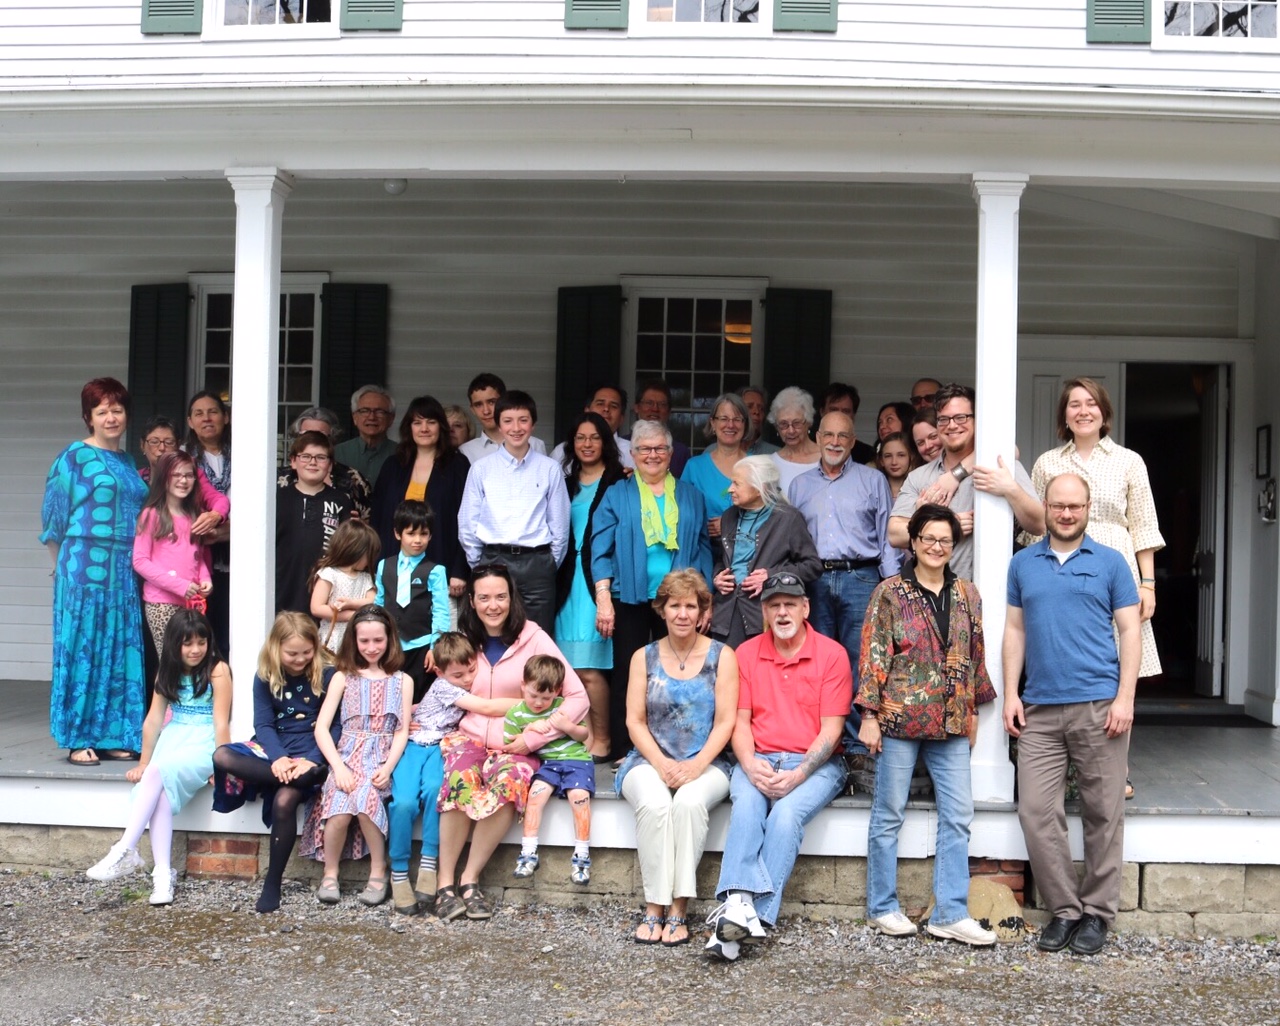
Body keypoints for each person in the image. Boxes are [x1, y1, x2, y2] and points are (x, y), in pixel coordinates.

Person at [1003, 473, 1140, 956]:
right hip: (1040, 707)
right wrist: (1010, 695)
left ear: (1088, 509)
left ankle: (1098, 915)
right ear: (1045, 506)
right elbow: (1014, 632)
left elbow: (1130, 632)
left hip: (1100, 705)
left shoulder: (1111, 563)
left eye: (1075, 506)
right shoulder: (1023, 564)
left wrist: (1125, 698)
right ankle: (1065, 910)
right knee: (1036, 811)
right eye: (1058, 505)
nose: (1066, 514)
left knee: (1104, 812)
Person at [857, 505, 998, 947]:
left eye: (945, 540)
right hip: (898, 718)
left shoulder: (968, 594)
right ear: (914, 541)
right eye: (929, 538)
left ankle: (950, 913)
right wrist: (869, 715)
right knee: (888, 815)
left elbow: (974, 653)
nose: (937, 547)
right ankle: (882, 907)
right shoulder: (890, 592)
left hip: (952, 720)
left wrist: (972, 711)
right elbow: (874, 652)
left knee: (958, 816)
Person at [704, 573, 850, 962]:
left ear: (806, 608)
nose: (782, 612)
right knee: (749, 806)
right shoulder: (747, 654)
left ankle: (749, 916)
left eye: (790, 604)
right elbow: (740, 720)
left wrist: (799, 774)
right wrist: (750, 766)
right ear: (764, 611)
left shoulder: (832, 654)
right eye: (773, 605)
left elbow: (832, 730)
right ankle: (739, 908)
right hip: (759, 757)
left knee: (786, 815)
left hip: (816, 764)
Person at [434, 565, 589, 921]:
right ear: (471, 601)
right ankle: (445, 885)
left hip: (515, 744)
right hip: (469, 736)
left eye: (501, 596)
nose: (493, 605)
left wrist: (536, 735)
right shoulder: (462, 637)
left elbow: (577, 697)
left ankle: (470, 880)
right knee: (460, 783)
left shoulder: (532, 637)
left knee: (510, 784)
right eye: (484, 597)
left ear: (512, 598)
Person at [616, 570, 739, 948]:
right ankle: (655, 906)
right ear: (662, 609)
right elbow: (634, 721)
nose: (682, 614)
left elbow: (726, 722)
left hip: (708, 762)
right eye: (675, 605)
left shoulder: (723, 655)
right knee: (655, 804)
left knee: (687, 802)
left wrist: (696, 765)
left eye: (691, 606)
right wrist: (663, 764)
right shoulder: (644, 656)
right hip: (647, 759)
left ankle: (679, 907)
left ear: (703, 611)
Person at [86, 610, 231, 907]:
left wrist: (223, 764)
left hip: (203, 741)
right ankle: (163, 875)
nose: (195, 649)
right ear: (173, 644)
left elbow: (221, 722)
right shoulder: (167, 672)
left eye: (201, 642)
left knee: (159, 771)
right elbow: (153, 720)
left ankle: (126, 848)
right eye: (187, 643)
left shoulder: (218, 670)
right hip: (174, 736)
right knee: (158, 786)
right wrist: (142, 761)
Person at [42, 377, 150, 766]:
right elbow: (53, 520)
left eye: (117, 410)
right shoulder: (73, 457)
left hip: (122, 571)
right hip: (83, 568)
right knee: (84, 649)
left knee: (118, 650)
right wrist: (59, 573)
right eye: (102, 411)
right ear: (88, 417)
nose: (110, 417)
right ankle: (78, 737)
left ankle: (111, 734)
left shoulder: (126, 463)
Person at [590, 420, 713, 759]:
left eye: (660, 448)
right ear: (633, 453)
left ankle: (677, 747)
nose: (653, 455)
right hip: (629, 598)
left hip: (679, 600)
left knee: (679, 672)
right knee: (629, 673)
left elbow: (703, 548)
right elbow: (599, 549)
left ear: (671, 454)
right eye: (645, 448)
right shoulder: (617, 493)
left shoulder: (691, 496)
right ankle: (624, 751)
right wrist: (603, 599)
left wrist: (706, 600)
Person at [1031, 377, 1164, 681]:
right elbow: (1037, 529)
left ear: (1104, 412)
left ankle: (1119, 719)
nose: (1083, 411)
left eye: (1091, 403)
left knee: (1123, 652)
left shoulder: (1130, 461)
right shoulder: (1047, 463)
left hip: (1118, 563)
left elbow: (1143, 526)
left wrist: (1148, 584)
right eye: (1074, 404)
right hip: (1061, 564)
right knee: (1066, 647)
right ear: (1064, 415)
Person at [211, 612, 339, 913]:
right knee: (222, 755)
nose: (300, 659)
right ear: (276, 647)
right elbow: (264, 725)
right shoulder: (265, 675)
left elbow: (334, 725)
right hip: (275, 747)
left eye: (307, 652)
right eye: (292, 653)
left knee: (284, 802)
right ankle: (296, 778)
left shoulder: (328, 673)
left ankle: (272, 883)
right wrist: (279, 758)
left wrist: (312, 760)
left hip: (312, 746)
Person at [788, 412, 900, 741]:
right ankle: (820, 739)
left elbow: (886, 535)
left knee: (859, 660)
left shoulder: (872, 480)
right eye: (829, 435)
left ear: (853, 442)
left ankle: (853, 742)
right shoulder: (799, 485)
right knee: (815, 660)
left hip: (861, 578)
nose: (835, 442)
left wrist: (891, 584)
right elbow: (792, 541)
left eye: (843, 436)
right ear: (818, 437)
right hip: (815, 580)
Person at [305, 605, 412, 907]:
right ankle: (330, 872)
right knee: (338, 809)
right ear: (354, 641)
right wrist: (337, 767)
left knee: (367, 801)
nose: (371, 647)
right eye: (364, 641)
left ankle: (378, 871)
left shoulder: (402, 680)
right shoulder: (343, 677)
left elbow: (401, 730)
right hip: (347, 757)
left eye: (378, 640)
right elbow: (322, 729)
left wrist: (389, 766)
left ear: (390, 639)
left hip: (380, 758)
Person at [890, 384, 1044, 581]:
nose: (952, 425)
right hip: (933, 594)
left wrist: (1010, 489)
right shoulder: (920, 477)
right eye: (943, 419)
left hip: (995, 591)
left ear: (977, 421)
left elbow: (1038, 524)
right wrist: (947, 525)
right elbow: (895, 535)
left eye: (961, 417)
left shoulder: (1004, 465)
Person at [457, 390, 570, 634]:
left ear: (533, 423)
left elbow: (560, 526)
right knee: (491, 635)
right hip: (493, 559)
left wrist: (548, 563)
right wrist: (480, 563)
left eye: (523, 420)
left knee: (538, 638)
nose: (516, 428)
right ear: (498, 424)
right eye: (508, 421)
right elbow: (467, 523)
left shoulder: (550, 469)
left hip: (537, 563)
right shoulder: (481, 469)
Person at [386, 631, 479, 916]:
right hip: (414, 745)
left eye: (471, 671)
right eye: (458, 675)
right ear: (439, 672)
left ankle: (429, 861)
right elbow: (482, 706)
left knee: (437, 789)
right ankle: (399, 871)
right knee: (403, 802)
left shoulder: (465, 681)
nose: (467, 680)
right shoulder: (444, 687)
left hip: (441, 746)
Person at [555, 412, 629, 759]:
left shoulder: (619, 481)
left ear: (606, 442)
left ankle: (604, 738)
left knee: (590, 668)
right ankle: (582, 737)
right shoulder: (563, 482)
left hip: (596, 583)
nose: (587, 444)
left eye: (594, 437)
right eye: (580, 438)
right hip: (566, 582)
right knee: (567, 668)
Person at [369, 394, 471, 606]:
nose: (424, 428)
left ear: (441, 427)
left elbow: (468, 521)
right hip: (395, 570)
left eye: (431, 422)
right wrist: (377, 567)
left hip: (442, 569)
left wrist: (459, 569)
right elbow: (377, 519)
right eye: (417, 422)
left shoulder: (458, 465)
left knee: (441, 634)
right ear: (409, 427)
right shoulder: (393, 465)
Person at [711, 455, 822, 647]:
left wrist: (771, 576)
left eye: (737, 484)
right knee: (726, 672)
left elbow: (812, 566)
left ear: (759, 488)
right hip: (726, 615)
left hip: (762, 615)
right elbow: (722, 560)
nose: (730, 489)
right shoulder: (729, 516)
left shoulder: (788, 518)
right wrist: (718, 576)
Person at [507, 654, 595, 885]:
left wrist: (567, 726)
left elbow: (584, 735)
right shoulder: (516, 714)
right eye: (533, 695)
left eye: (545, 698)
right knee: (535, 797)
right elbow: (510, 744)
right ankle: (528, 852)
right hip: (548, 764)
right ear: (523, 686)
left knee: (579, 797)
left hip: (577, 760)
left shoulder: (562, 708)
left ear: (556, 692)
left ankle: (582, 854)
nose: (538, 703)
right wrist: (531, 730)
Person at [133, 451, 213, 656]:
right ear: (163, 478)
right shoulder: (151, 514)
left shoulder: (194, 515)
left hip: (192, 603)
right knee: (170, 662)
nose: (183, 480)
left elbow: (198, 556)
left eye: (188, 475)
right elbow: (140, 561)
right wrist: (180, 585)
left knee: (192, 660)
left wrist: (205, 578)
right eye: (176, 475)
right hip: (161, 603)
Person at [375, 500, 451, 701]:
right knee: (391, 696)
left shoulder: (436, 571)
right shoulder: (384, 566)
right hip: (391, 645)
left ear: (430, 535)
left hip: (422, 646)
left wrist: (435, 647)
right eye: (411, 533)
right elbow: (378, 605)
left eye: (423, 534)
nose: (418, 540)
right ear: (398, 533)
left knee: (419, 698)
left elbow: (441, 611)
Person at [275, 431, 354, 615]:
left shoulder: (341, 501)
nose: (312, 462)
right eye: (306, 457)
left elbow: (346, 548)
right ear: (293, 461)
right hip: (282, 584)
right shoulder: (277, 499)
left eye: (320, 457)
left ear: (330, 465)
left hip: (324, 587)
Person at [184, 390, 233, 655]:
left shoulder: (244, 455)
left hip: (237, 554)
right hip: (197, 555)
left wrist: (229, 530)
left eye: (213, 412)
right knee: (200, 631)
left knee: (230, 628)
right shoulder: (183, 458)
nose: (206, 419)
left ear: (226, 417)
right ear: (190, 422)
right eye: (198, 414)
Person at [278, 407, 373, 521]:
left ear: (331, 440)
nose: (313, 440)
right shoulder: (278, 478)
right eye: (306, 435)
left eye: (321, 436)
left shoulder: (354, 480)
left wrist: (358, 527)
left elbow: (369, 525)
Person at [681, 392, 752, 540]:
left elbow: (770, 517)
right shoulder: (694, 467)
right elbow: (682, 515)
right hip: (704, 552)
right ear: (713, 423)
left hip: (748, 556)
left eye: (737, 419)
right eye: (724, 419)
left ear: (745, 424)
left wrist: (730, 525)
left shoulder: (757, 466)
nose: (730, 425)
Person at [138, 414, 229, 526]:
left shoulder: (191, 475)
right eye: (154, 441)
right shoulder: (136, 477)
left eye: (169, 442)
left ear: (178, 446)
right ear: (142, 445)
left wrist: (215, 515)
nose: (162, 448)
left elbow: (219, 499)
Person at [309, 519, 380, 654]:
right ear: (356, 551)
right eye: (369, 555)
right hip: (333, 638)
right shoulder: (329, 574)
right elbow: (316, 607)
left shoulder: (365, 578)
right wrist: (351, 615)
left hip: (357, 637)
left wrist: (351, 603)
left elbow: (373, 600)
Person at [458, 372, 548, 463]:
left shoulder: (535, 444)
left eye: (492, 402)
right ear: (472, 409)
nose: (486, 411)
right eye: (478, 405)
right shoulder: (466, 450)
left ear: (504, 401)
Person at [550, 385, 636, 471]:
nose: (606, 409)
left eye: (613, 406)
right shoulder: (562, 451)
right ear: (587, 411)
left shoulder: (634, 452)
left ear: (621, 418)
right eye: (600, 404)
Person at [334, 385, 397, 487]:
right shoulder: (338, 454)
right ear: (355, 417)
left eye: (379, 412)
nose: (372, 417)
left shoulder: (403, 454)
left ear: (391, 419)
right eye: (365, 411)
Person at [767, 386, 822, 494]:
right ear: (776, 427)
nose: (791, 431)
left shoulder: (825, 458)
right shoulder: (771, 464)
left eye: (797, 423)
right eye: (783, 424)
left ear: (808, 422)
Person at [632, 378, 691, 477]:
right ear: (637, 408)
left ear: (669, 411)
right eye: (649, 403)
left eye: (662, 404)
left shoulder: (680, 452)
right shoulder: (622, 445)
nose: (655, 408)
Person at [817, 382, 876, 464]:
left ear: (853, 416)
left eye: (846, 411)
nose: (839, 415)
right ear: (822, 412)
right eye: (833, 410)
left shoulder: (867, 454)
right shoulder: (807, 451)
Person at [876, 431, 920, 501]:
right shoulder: (874, 489)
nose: (894, 462)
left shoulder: (920, 489)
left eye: (901, 455)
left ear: (911, 457)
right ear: (881, 461)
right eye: (888, 456)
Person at [740, 385, 779, 455]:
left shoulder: (775, 454)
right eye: (749, 406)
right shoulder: (715, 451)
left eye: (761, 409)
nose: (757, 412)